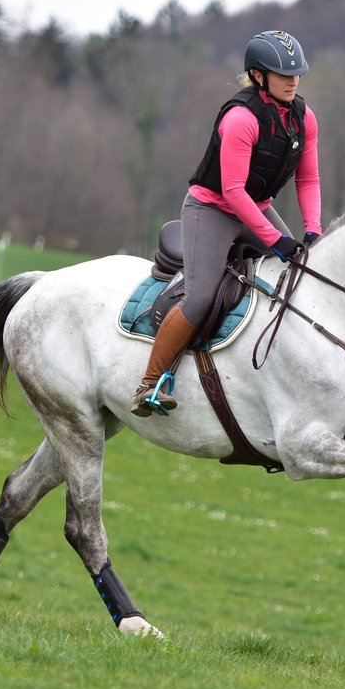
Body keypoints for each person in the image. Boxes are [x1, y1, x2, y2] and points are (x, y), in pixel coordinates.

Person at [131, 30, 323, 417]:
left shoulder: (304, 118)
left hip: (257, 208)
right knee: (201, 297)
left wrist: (313, 228)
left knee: (301, 274)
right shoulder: (241, 118)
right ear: (257, 76)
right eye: (282, 74)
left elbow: (308, 179)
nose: (293, 80)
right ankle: (149, 384)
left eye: (297, 73)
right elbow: (233, 191)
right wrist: (275, 240)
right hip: (212, 210)